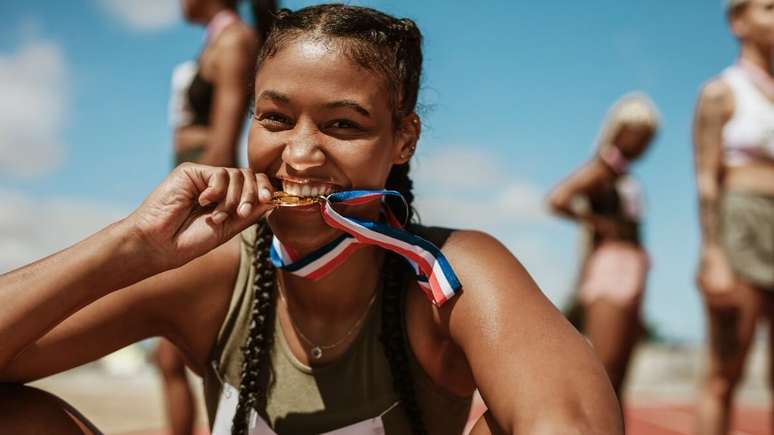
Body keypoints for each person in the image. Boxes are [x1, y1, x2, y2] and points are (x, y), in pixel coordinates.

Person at [0, 5, 621, 434]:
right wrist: (131, 246)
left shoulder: (451, 276)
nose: (299, 154)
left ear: (404, 139)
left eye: (343, 124)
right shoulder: (213, 275)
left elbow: (572, 421)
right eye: (274, 118)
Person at [162, 1, 276, 433]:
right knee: (172, 355)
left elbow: (225, 145)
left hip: (207, 202)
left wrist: (204, 218)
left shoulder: (234, 42)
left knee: (182, 353)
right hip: (192, 194)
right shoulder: (217, 42)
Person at [693, 1, 774, 434]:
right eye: (770, 8)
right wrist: (713, 254)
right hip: (741, 228)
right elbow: (706, 179)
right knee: (725, 374)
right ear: (738, 22)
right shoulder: (721, 91)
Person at [547, 93, 659, 398]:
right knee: (606, 369)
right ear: (619, 129)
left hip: (634, 264)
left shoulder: (625, 174)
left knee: (621, 373)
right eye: (639, 135)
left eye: (648, 138)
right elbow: (557, 198)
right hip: (612, 265)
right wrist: (596, 222)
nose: (643, 144)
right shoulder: (601, 168)